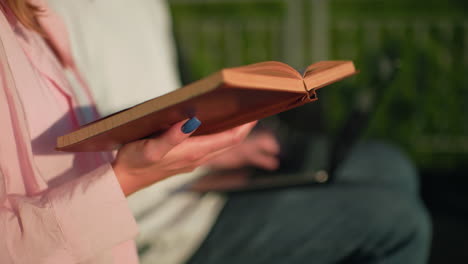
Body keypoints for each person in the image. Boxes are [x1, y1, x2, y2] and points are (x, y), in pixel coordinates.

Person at [47, 1, 433, 264]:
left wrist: (223, 146)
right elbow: (70, 149)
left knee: (391, 165)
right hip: (161, 226)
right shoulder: (45, 16)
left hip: (194, 181)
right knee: (400, 223)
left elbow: (159, 105)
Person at [0, 0, 258, 263]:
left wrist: (211, 147)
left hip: (181, 206)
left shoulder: (33, 14)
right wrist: (128, 176)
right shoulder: (51, 12)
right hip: (155, 228)